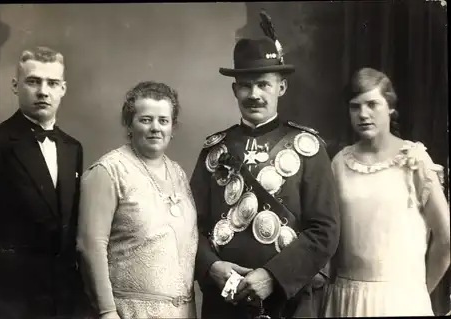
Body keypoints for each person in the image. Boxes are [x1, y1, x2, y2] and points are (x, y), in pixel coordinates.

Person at [190, 13, 340, 319]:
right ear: (234, 90)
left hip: (290, 304)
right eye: (245, 85)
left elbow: (325, 231)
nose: (254, 94)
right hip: (224, 303)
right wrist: (211, 267)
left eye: (263, 84)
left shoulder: (308, 149)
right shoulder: (214, 150)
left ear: (281, 88)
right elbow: (190, 227)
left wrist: (272, 277)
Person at [0, 46, 92, 318]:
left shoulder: (72, 148)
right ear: (16, 86)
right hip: (8, 304)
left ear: (63, 89)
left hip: (62, 303)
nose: (43, 91)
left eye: (52, 83)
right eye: (33, 81)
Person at [323, 67, 450, 316]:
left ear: (390, 107)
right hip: (347, 298)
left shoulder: (414, 160)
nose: (363, 114)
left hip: (400, 300)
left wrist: (420, 290)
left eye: (372, 104)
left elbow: (446, 239)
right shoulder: (339, 162)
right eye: (355, 107)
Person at [77, 81, 198, 319]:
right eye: (146, 119)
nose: (156, 128)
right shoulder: (108, 170)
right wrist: (107, 312)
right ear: (129, 124)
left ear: (172, 127)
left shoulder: (178, 173)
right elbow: (90, 247)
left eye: (163, 120)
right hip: (128, 313)